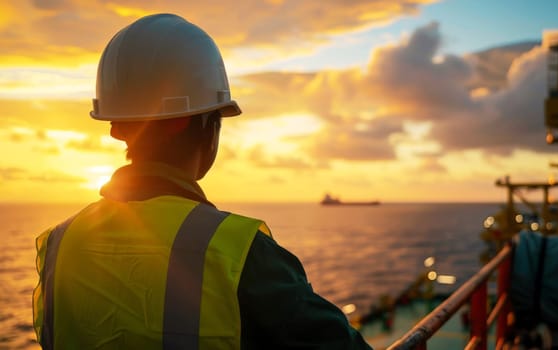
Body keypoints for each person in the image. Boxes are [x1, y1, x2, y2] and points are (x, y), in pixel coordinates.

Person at [32, 13, 372, 350]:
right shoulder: (239, 255)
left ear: (116, 126)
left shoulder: (59, 245)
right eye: (217, 118)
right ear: (191, 123)